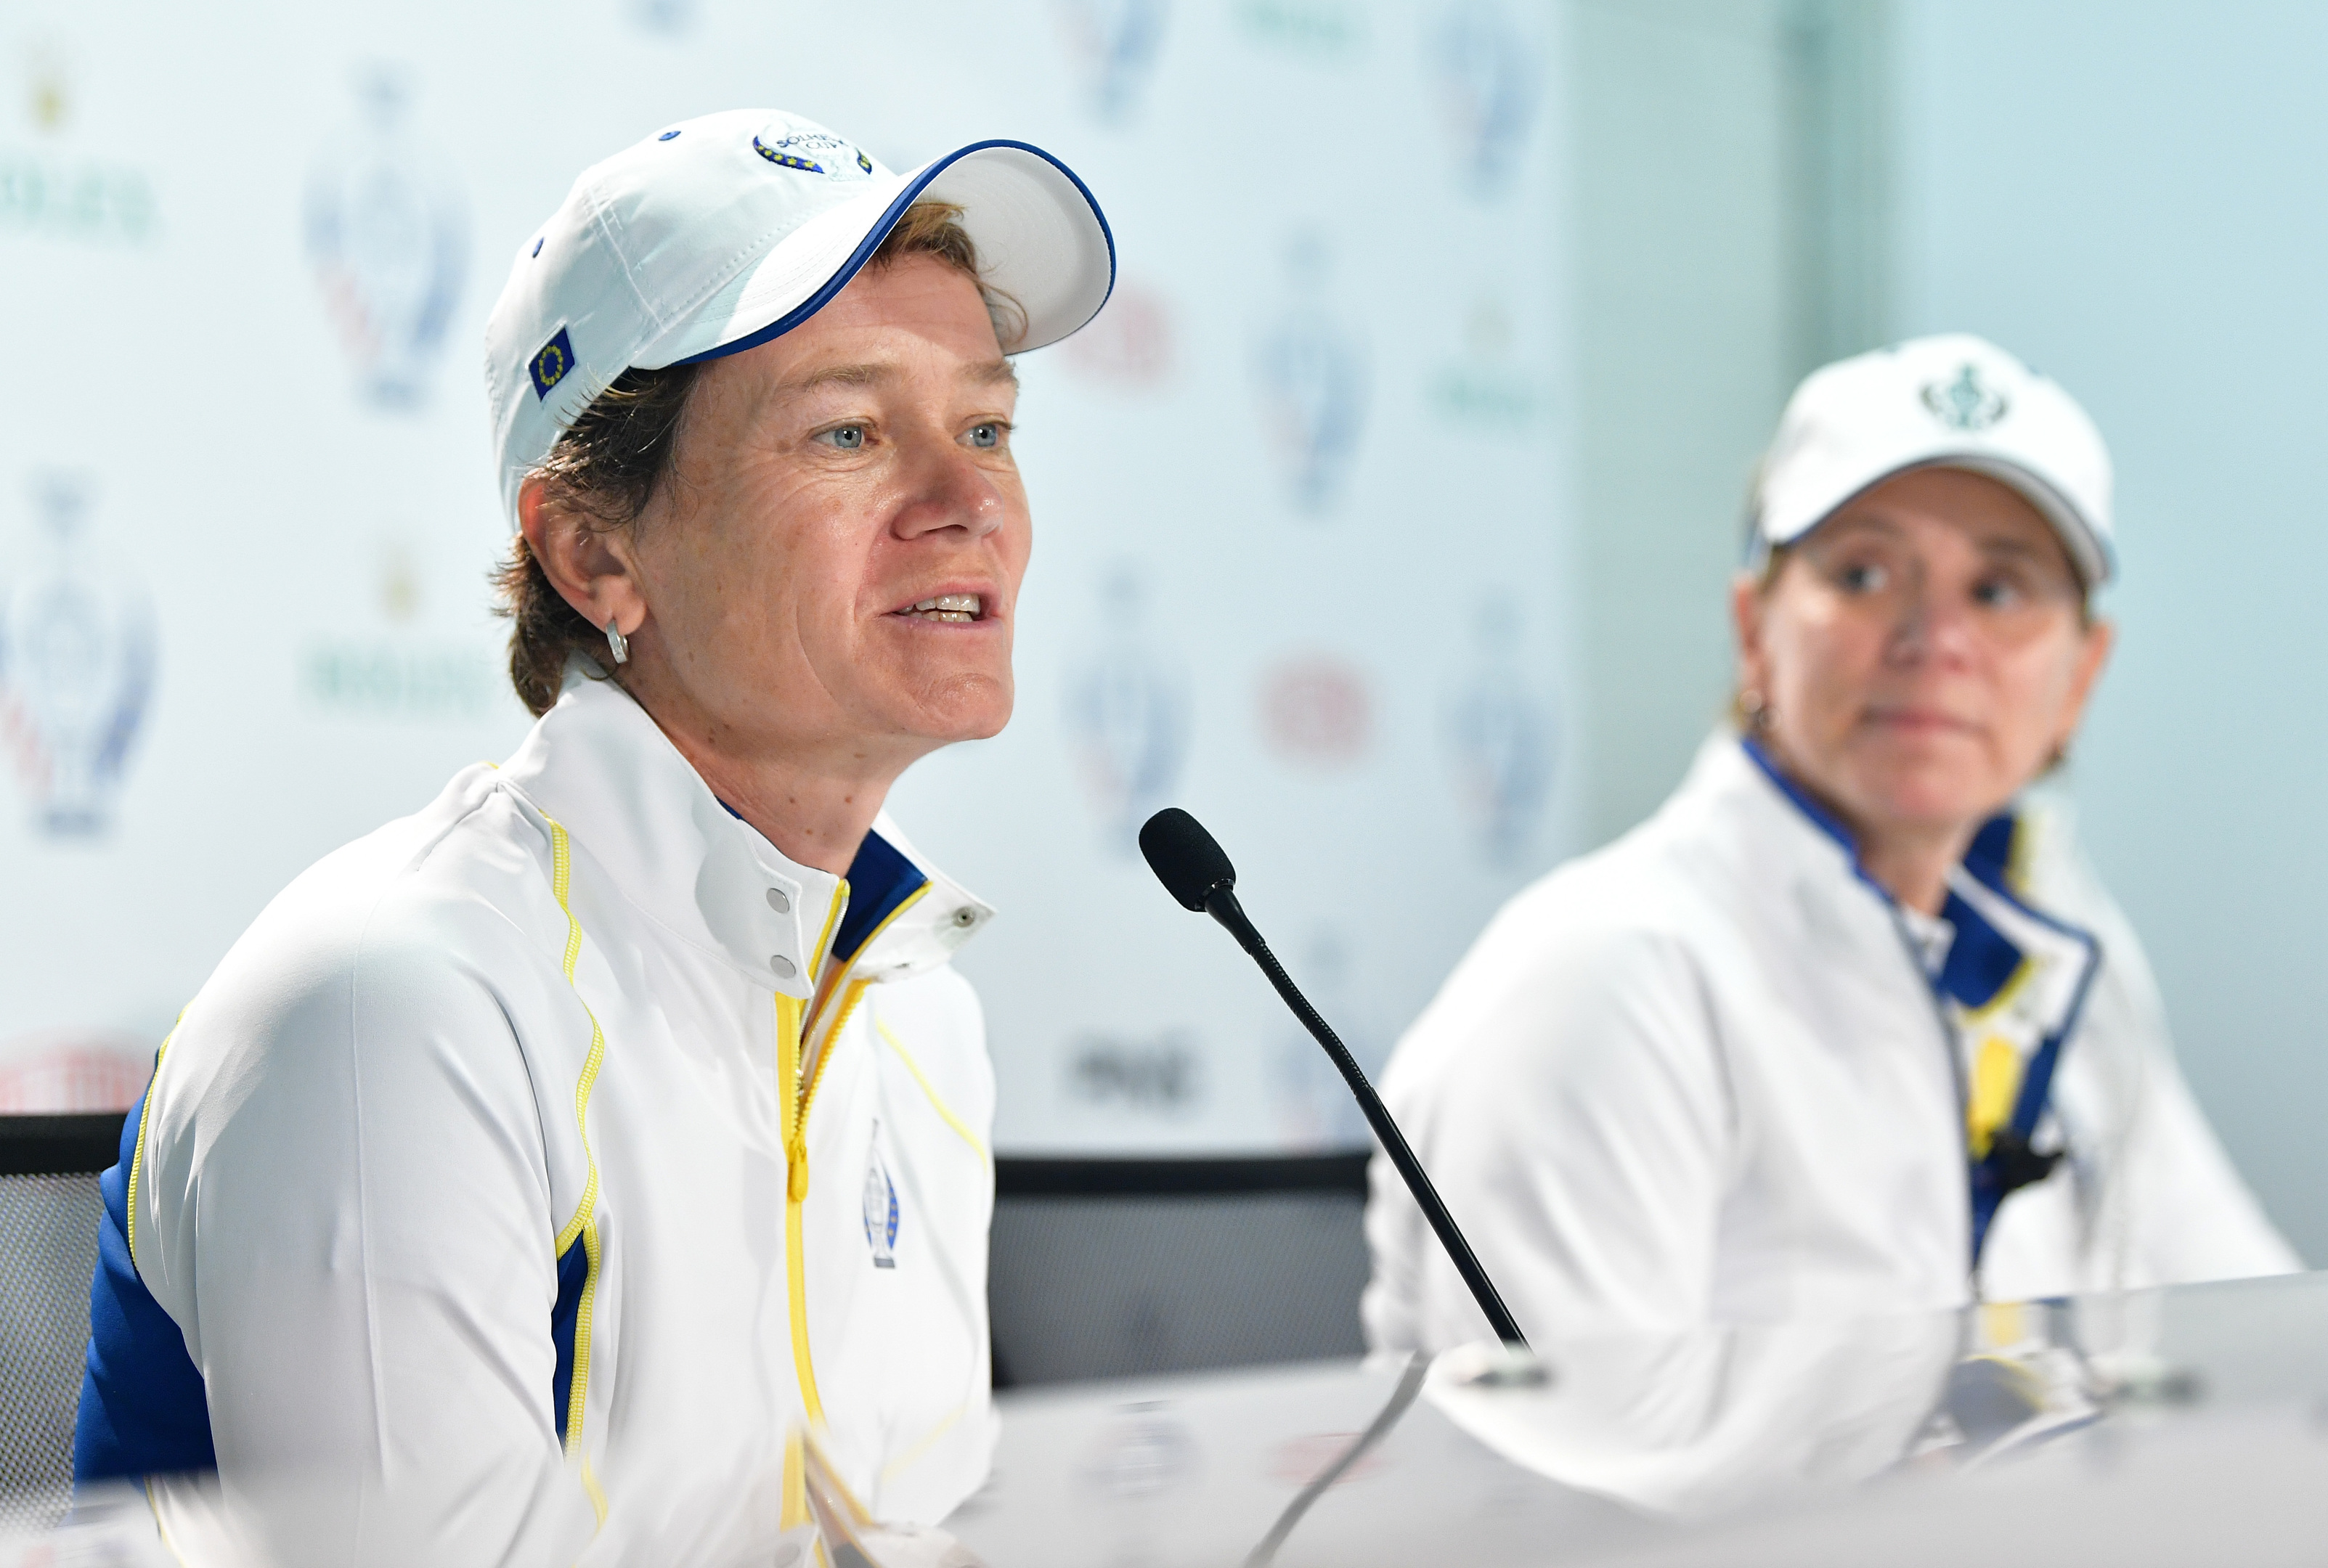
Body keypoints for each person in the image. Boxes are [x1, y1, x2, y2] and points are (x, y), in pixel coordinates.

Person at [72, 110, 1112, 1563]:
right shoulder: (401, 1004)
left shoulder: (919, 1014)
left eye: (988, 426)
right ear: (594, 551)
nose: (968, 506)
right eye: (849, 431)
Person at [1364, 334, 2299, 1351]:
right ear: (1753, 631)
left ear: (2081, 677)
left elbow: (2266, 1337)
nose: (1931, 638)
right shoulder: (1609, 975)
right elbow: (1555, 1486)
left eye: (1998, 591)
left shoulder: (2065, 964)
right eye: (1863, 574)